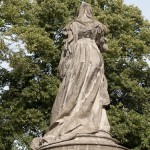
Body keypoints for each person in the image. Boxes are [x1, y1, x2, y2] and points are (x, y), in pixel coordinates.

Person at [31, 2, 111, 149]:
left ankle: (72, 119)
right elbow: (104, 47)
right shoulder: (98, 26)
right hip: (94, 56)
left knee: (74, 87)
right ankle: (91, 120)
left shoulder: (72, 26)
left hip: (78, 58)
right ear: (91, 12)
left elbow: (67, 49)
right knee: (93, 88)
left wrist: (63, 67)